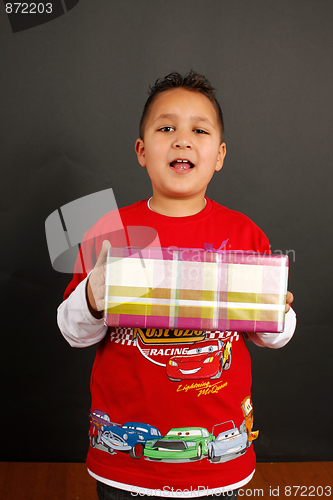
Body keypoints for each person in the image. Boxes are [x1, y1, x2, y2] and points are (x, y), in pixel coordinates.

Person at [57, 71, 296, 500]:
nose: (182, 140)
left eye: (199, 130)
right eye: (166, 128)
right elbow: (74, 332)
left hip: (218, 462)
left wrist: (280, 311)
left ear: (219, 155)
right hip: (127, 465)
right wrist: (95, 293)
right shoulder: (110, 230)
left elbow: (272, 337)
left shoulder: (245, 235)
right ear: (141, 151)